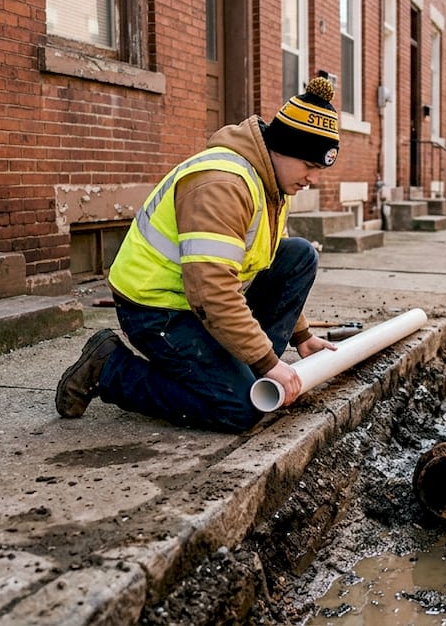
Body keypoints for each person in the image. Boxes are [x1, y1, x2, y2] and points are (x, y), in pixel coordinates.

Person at [54, 77, 341, 432]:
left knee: (298, 255)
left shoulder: (272, 186)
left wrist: (302, 337)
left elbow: (266, 261)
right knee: (241, 408)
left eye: (319, 169)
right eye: (309, 166)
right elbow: (212, 291)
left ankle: (237, 367)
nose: (313, 178)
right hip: (158, 310)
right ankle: (110, 368)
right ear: (281, 148)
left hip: (200, 304)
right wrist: (268, 363)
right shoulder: (222, 184)